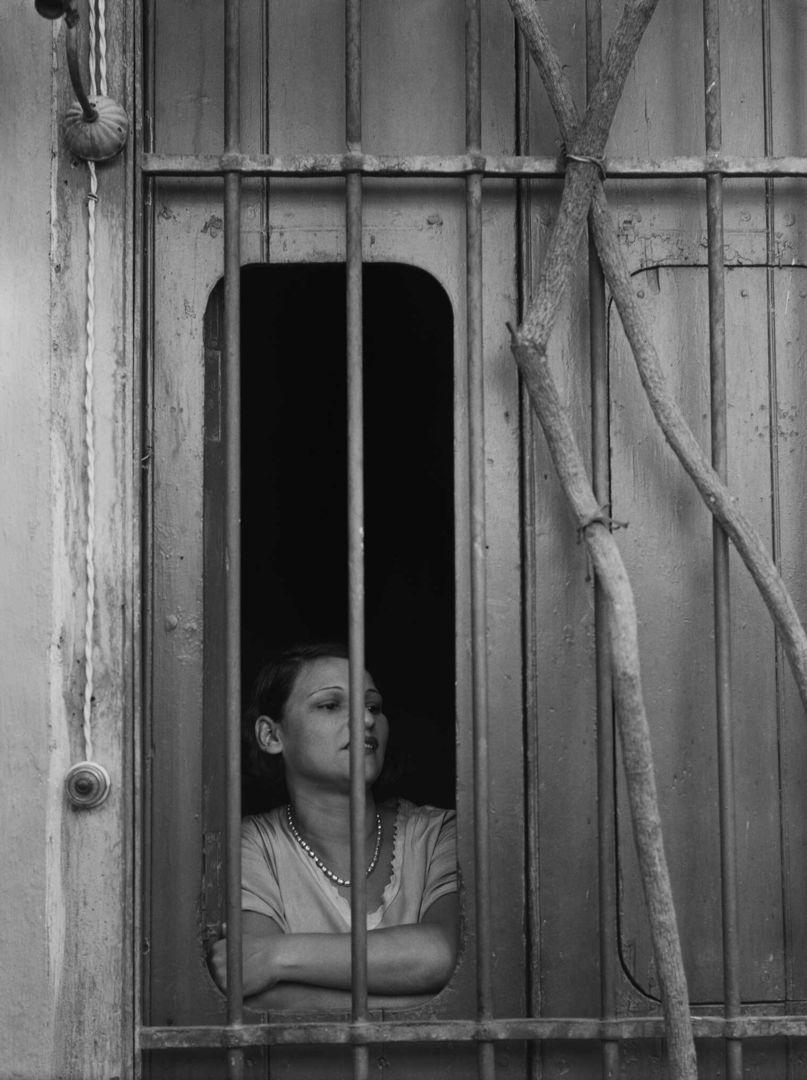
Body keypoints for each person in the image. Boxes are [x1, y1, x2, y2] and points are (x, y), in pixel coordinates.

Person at [210, 642, 459, 1012]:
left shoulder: (439, 832)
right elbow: (254, 991)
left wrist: (278, 956)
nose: (366, 719)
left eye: (372, 706)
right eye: (330, 705)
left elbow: (442, 954)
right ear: (272, 736)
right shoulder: (252, 844)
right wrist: (425, 1000)